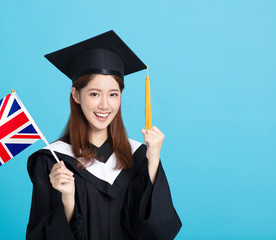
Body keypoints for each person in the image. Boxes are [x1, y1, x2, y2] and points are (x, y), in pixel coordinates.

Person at [26, 30, 182, 240]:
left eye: (113, 94)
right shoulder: (51, 161)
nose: (105, 105)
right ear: (76, 95)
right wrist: (68, 200)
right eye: (94, 94)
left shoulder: (139, 156)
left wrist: (153, 162)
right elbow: (40, 235)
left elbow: (159, 232)